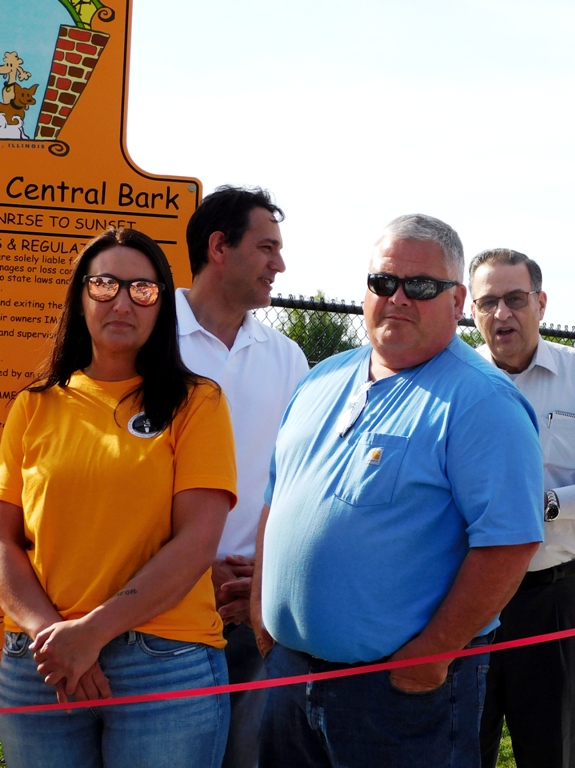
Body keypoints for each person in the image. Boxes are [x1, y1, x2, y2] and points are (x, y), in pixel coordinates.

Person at [252, 214, 545, 768]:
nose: (398, 298)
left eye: (421, 286)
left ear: (457, 301)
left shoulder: (482, 402)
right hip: (289, 677)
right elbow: (277, 499)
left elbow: (509, 542)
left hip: (397, 696)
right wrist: (262, 616)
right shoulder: (320, 379)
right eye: (383, 282)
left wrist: (431, 655)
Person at [0, 228, 237, 767]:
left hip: (162, 660)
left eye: (143, 290)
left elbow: (197, 543)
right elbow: (4, 541)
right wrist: (57, 638)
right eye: (105, 285)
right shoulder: (34, 405)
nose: (123, 302)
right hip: (40, 664)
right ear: (80, 296)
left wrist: (92, 634)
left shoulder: (197, 403)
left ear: (162, 305)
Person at [470, 248, 575, 768]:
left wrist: (553, 504)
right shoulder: (451, 380)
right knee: (457, 749)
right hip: (463, 599)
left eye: (516, 299)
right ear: (470, 309)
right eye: (488, 301)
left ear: (541, 304)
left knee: (556, 753)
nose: (502, 313)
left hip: (556, 599)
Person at [179, 185, 308, 768]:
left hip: (252, 607)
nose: (279, 264)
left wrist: (264, 576)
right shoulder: (146, 341)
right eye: (266, 247)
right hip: (157, 613)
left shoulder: (288, 358)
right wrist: (188, 570)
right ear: (218, 247)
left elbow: (294, 479)